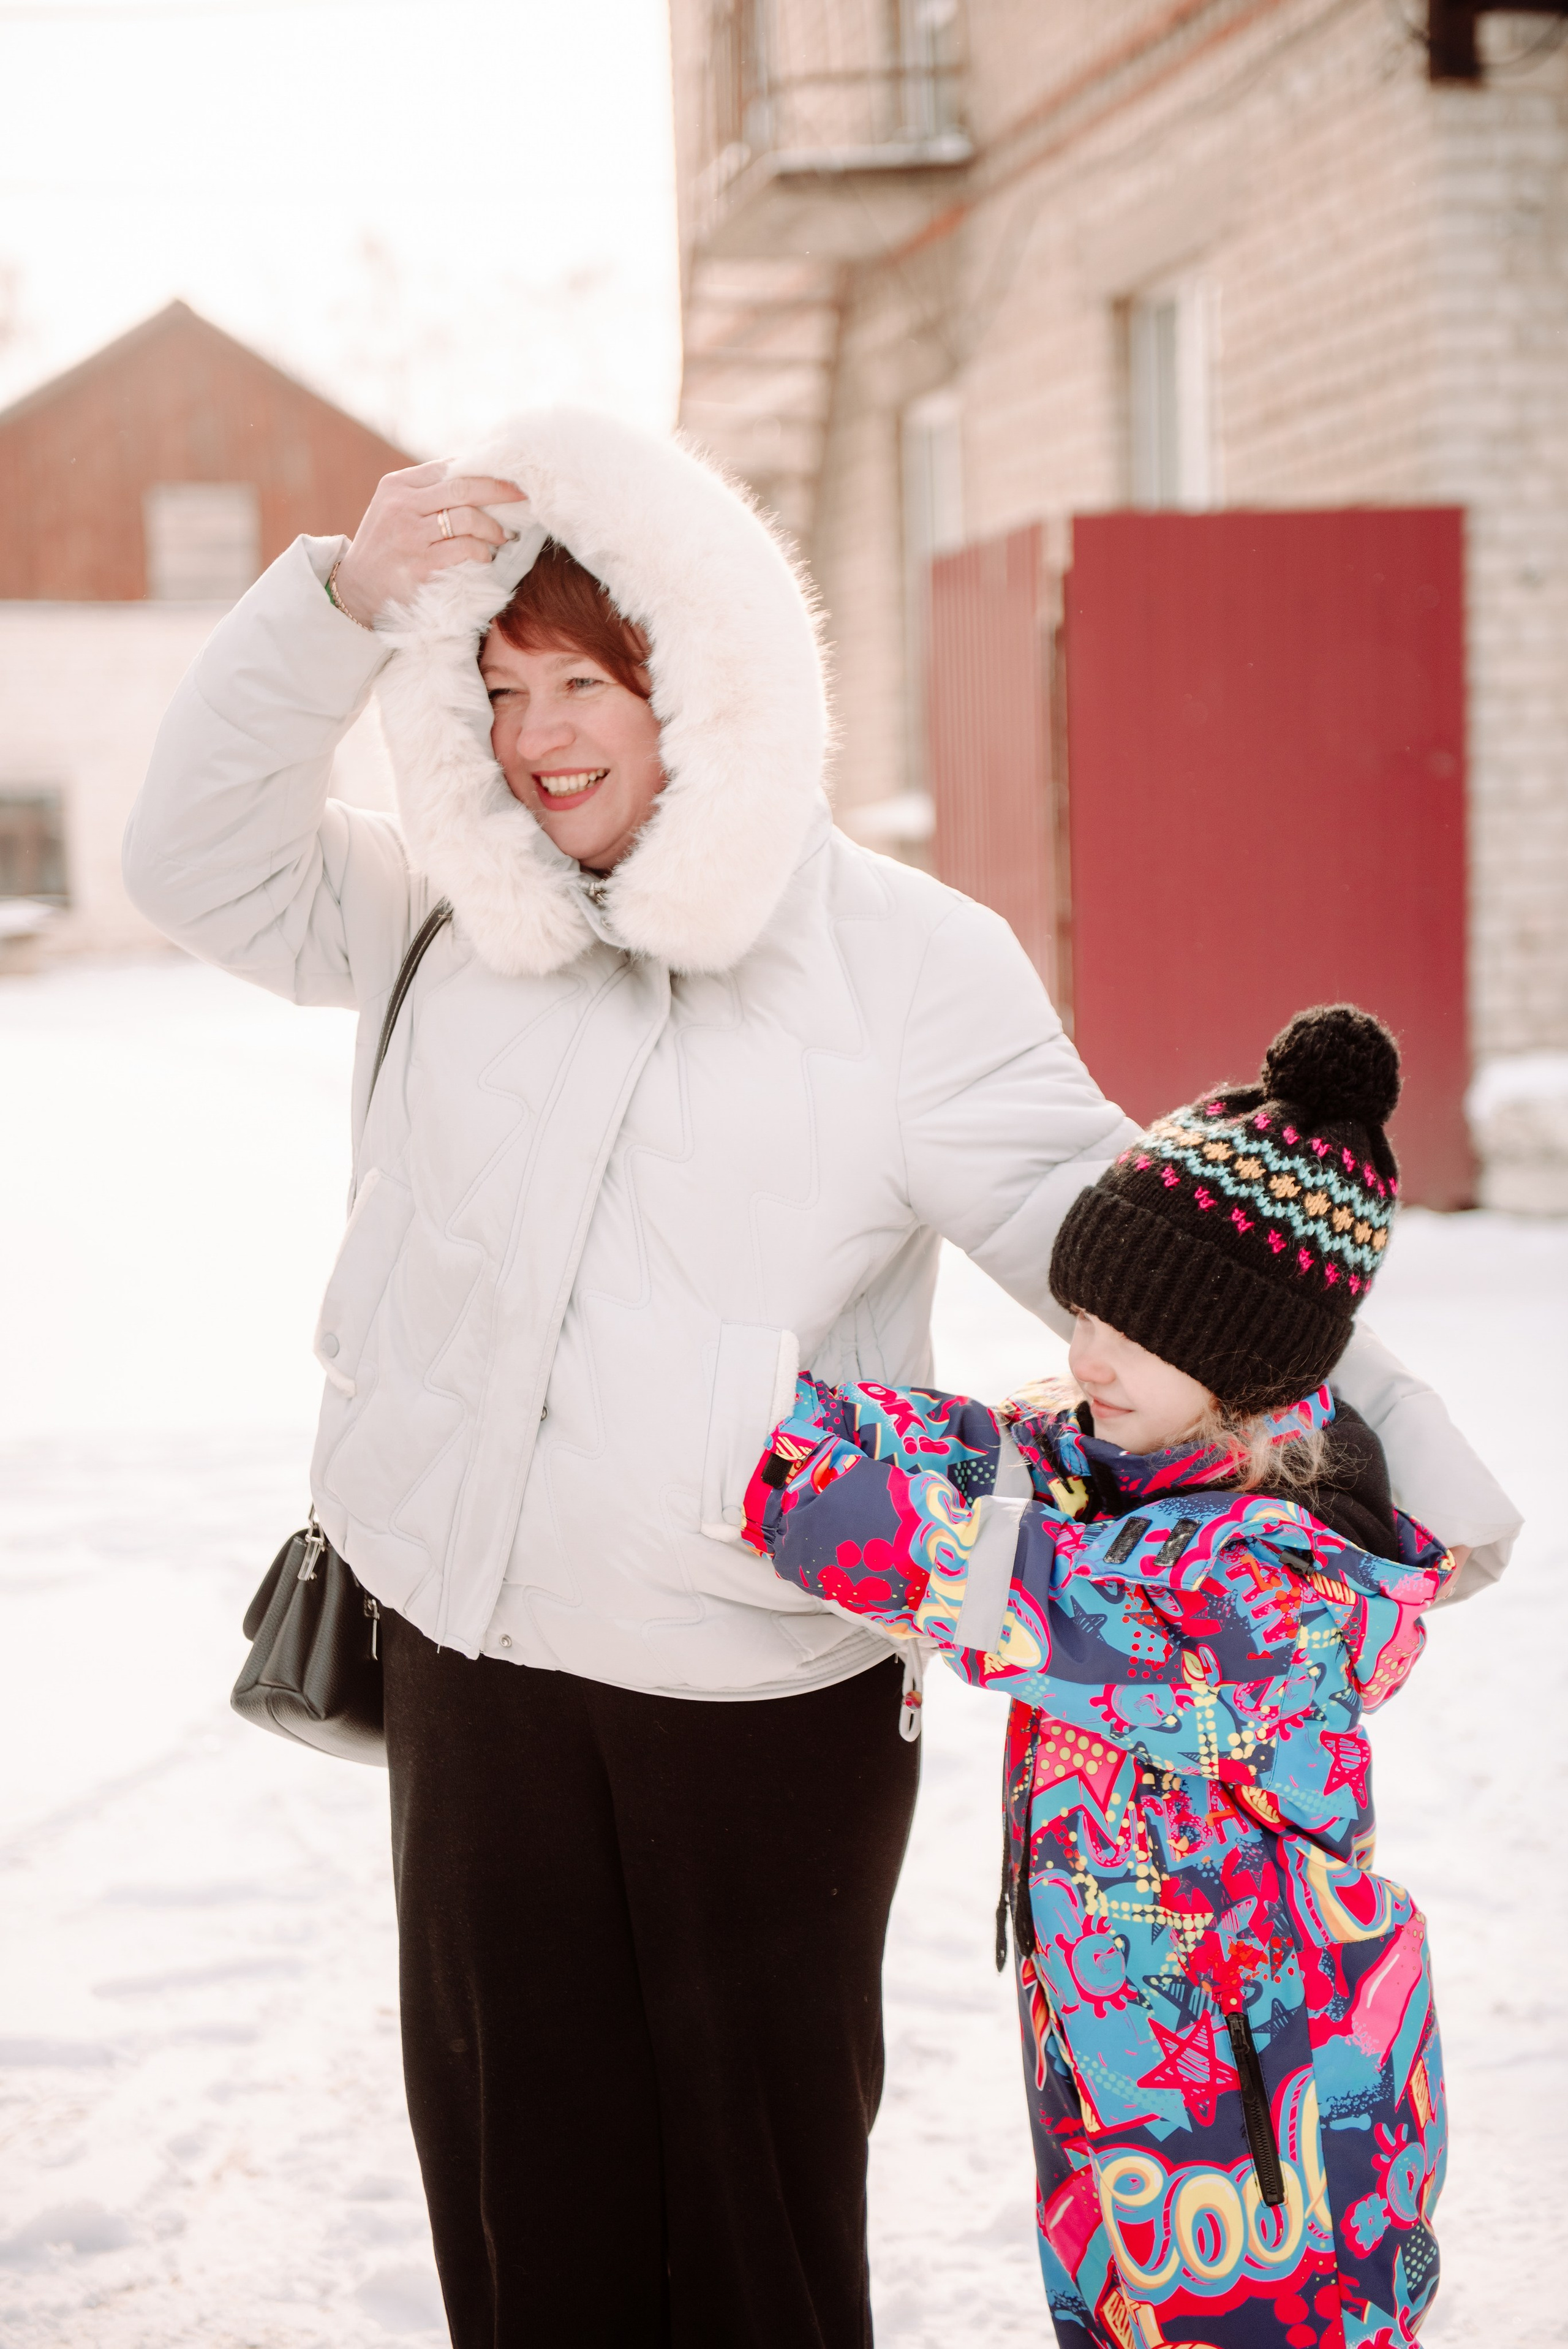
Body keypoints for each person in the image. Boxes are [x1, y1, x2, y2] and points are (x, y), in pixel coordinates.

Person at [123, 412, 1516, 2348]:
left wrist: (1403, 1455)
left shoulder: (902, 962)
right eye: (499, 688)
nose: (539, 739)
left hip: (757, 1688)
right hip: (469, 1658)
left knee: (752, 2228)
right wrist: (344, 601)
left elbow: (1135, 1241)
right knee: (524, 2207)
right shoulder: (441, 908)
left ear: (700, 675)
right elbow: (188, 857)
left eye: (586, 682)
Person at [745, 1006, 1462, 2348]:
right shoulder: (1120, 1466)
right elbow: (983, 1455)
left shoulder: (1269, 1591)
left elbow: (1022, 1595)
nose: (1085, 1356)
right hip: (1113, 2049)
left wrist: (787, 1482)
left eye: (1131, 1332)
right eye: (1083, 1314)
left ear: (1239, 1362)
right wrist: (800, 1410)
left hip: (1263, 2111)